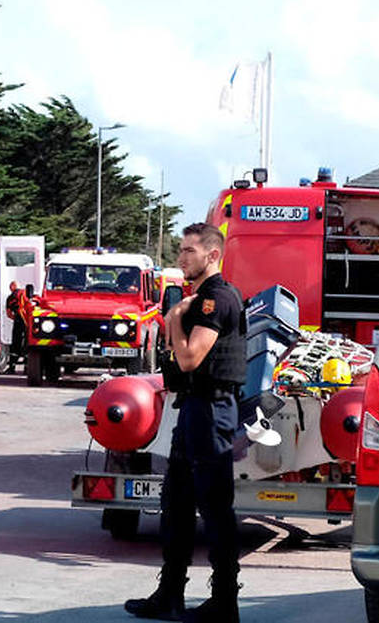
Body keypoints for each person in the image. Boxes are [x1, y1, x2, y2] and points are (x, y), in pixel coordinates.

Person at [125, 223, 246, 622]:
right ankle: (169, 595)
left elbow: (191, 358)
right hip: (193, 409)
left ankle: (225, 603)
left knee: (214, 509)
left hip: (212, 412)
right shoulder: (201, 299)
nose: (181, 258)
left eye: (189, 251)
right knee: (175, 505)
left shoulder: (216, 300)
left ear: (212, 255)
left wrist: (173, 320)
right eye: (180, 251)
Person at [5, 282, 26, 373]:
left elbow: (9, 313)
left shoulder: (10, 298)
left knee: (15, 343)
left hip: (18, 321)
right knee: (26, 343)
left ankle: (12, 367)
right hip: (27, 321)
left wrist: (16, 318)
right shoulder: (24, 294)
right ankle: (27, 367)